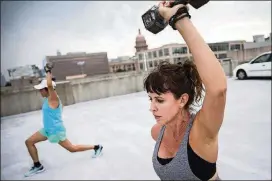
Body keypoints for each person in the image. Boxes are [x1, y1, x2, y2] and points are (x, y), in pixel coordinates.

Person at [144, 1, 227, 180]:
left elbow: (218, 89)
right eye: (150, 99)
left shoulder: (201, 133)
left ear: (182, 100)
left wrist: (178, 17)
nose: (152, 108)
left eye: (159, 100)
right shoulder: (157, 132)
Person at [24, 64, 103, 177]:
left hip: (56, 131)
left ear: (47, 90)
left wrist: (48, 71)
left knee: (72, 149)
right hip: (47, 130)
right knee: (29, 142)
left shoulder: (53, 98)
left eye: (41, 89)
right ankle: (37, 165)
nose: (40, 91)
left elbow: (50, 85)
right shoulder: (49, 100)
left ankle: (97, 147)